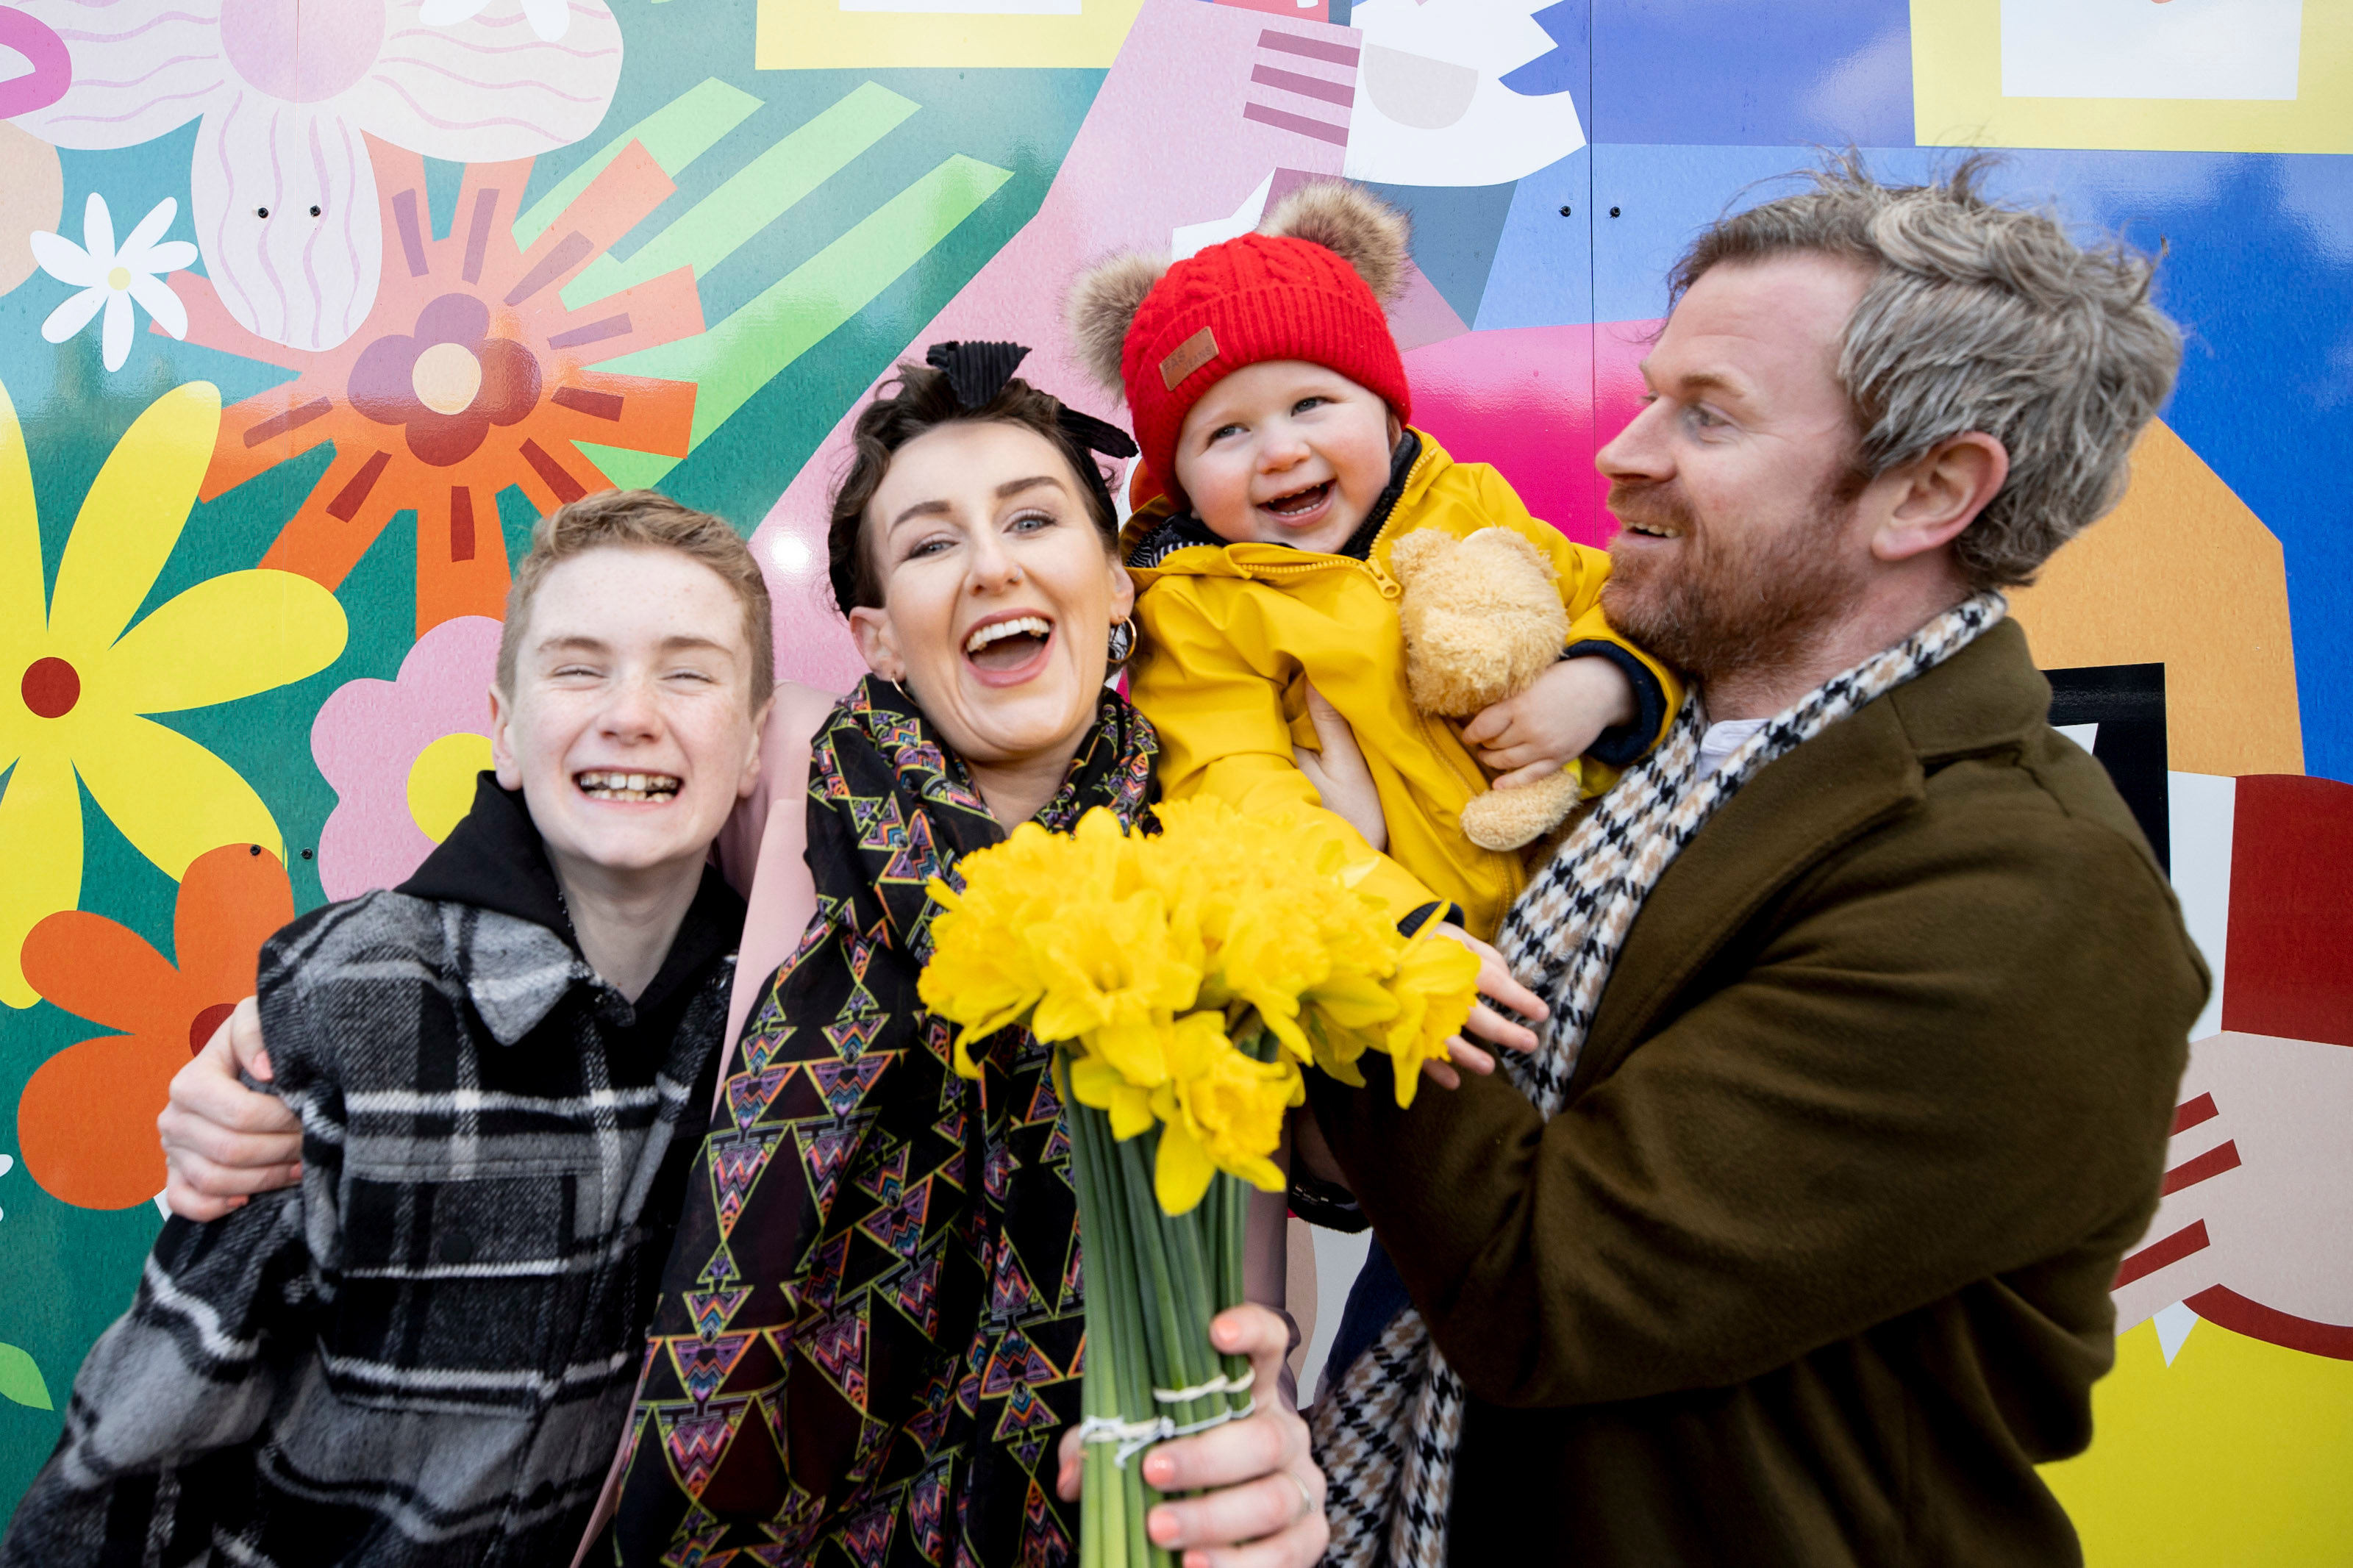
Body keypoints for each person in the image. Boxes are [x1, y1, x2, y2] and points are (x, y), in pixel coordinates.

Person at [149, 347, 1335, 1568]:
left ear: (1117, 582)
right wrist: (300, 1017)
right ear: (876, 634)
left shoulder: (1240, 832)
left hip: (1137, 1503)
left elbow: (1361, 1146)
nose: (994, 564)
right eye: (931, 543)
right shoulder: (801, 778)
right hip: (739, 1514)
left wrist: (1277, 1467)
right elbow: (548, 834)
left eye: (1034, 517)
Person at [1302, 155, 2210, 1567]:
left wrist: (1349, 912)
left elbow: (1547, 1284)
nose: (1623, 450)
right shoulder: (1642, 741)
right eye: (1655, 388)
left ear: (1927, 492)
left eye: (1707, 417)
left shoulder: (2029, 901)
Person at [4, 490, 775, 1566]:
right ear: (503, 731)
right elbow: (142, 1440)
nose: (631, 712)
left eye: (689, 671)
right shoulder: (355, 1002)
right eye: (577, 666)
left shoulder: (772, 1022)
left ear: (754, 751)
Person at [1065, 181, 1682, 946]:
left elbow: (1622, 604)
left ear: (1387, 414)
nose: (1283, 450)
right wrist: (1397, 923)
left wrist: (1600, 686)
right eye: (1226, 433)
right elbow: (1229, 788)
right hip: (1402, 966)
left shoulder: (1468, 502)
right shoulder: (1196, 610)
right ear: (1179, 480)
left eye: (1311, 404)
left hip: (1602, 900)